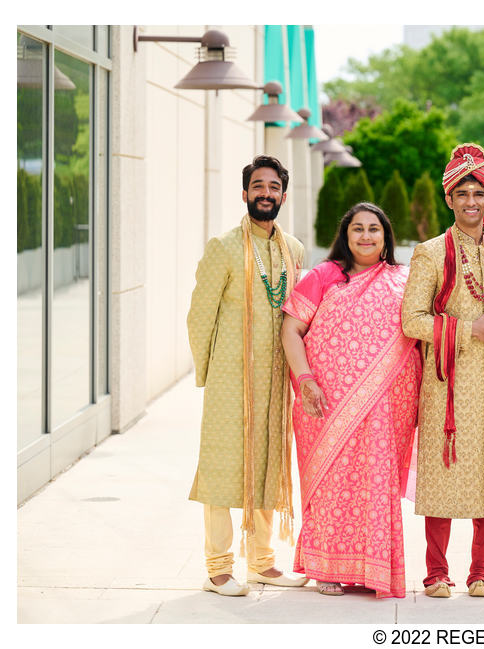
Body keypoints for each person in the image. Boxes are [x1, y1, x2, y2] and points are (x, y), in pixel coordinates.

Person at [280, 202, 421, 598]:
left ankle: (370, 569)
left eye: (374, 229)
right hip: (325, 401)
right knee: (331, 482)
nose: (365, 236)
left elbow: (416, 335)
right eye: (357, 228)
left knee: (374, 484)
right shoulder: (324, 276)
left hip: (385, 404)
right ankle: (326, 567)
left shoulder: (402, 279)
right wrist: (306, 380)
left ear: (386, 236)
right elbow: (291, 330)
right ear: (345, 234)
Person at [187, 154, 308, 596]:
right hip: (229, 380)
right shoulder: (222, 247)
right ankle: (218, 567)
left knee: (267, 466)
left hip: (275, 383)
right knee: (222, 468)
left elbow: (299, 314)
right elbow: (200, 315)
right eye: (258, 186)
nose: (265, 193)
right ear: (245, 193)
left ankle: (262, 561)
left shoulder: (292, 249)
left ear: (283, 195)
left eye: (273, 187)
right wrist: (209, 372)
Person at [401, 143, 484, 598]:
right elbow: (412, 319)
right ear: (448, 199)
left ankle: (482, 571)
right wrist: (469, 330)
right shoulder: (430, 253)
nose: (471, 201)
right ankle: (435, 572)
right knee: (445, 475)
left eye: (479, 193)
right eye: (462, 193)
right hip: (448, 385)